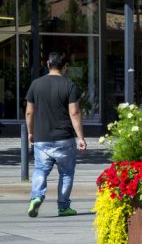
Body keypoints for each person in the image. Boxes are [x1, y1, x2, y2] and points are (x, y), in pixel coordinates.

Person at [25, 51, 87, 218]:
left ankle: (36, 197)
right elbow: (74, 113)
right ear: (65, 67)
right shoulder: (69, 86)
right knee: (66, 173)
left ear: (47, 64)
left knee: (40, 169)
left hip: (42, 137)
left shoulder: (36, 85)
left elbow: (29, 112)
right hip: (64, 138)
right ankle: (63, 206)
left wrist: (31, 133)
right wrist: (80, 137)